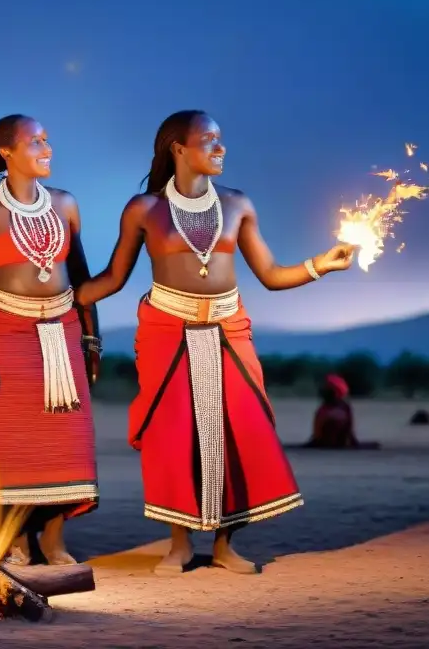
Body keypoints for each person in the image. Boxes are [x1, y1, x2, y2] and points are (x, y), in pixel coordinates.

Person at [76, 109, 355, 575]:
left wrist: (319, 264)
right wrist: (59, 298)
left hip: (229, 329)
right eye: (209, 140)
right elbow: (112, 278)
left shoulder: (239, 204)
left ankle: (226, 546)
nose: (220, 148)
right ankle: (180, 545)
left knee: (238, 431)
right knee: (173, 436)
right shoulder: (144, 209)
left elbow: (269, 274)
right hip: (167, 331)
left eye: (221, 139)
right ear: (178, 148)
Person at [0, 115, 100, 566]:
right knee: (8, 441)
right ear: (7, 152)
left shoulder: (66, 204)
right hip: (5, 331)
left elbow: (81, 278)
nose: (47, 148)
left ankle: (54, 541)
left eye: (47, 139)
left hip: (63, 329)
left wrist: (92, 338)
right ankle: (17, 539)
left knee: (64, 436)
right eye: (35, 141)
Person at [303, 374, 380, 449]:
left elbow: (317, 433)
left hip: (326, 443)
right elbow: (350, 430)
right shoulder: (346, 408)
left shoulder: (324, 409)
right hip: (342, 443)